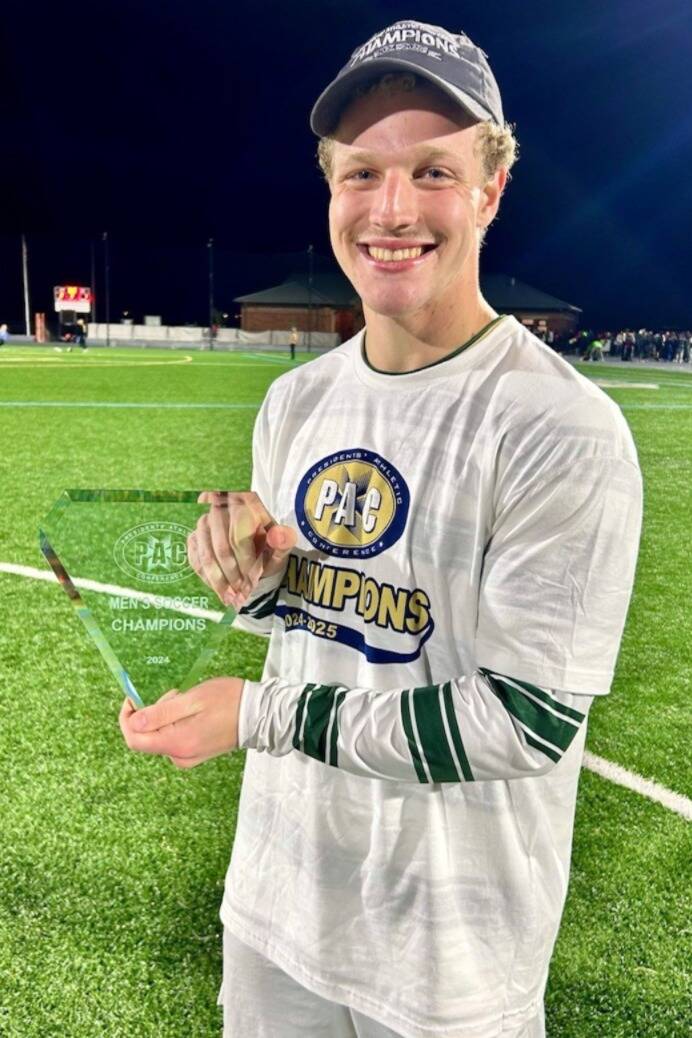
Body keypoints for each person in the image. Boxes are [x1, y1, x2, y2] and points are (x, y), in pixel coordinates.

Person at [119, 19, 643, 1038]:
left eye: (432, 172)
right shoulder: (297, 405)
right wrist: (256, 582)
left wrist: (256, 716)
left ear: (490, 189)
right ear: (329, 189)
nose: (390, 209)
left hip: (447, 964)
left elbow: (521, 722)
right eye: (361, 173)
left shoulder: (558, 426)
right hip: (278, 911)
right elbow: (321, 634)